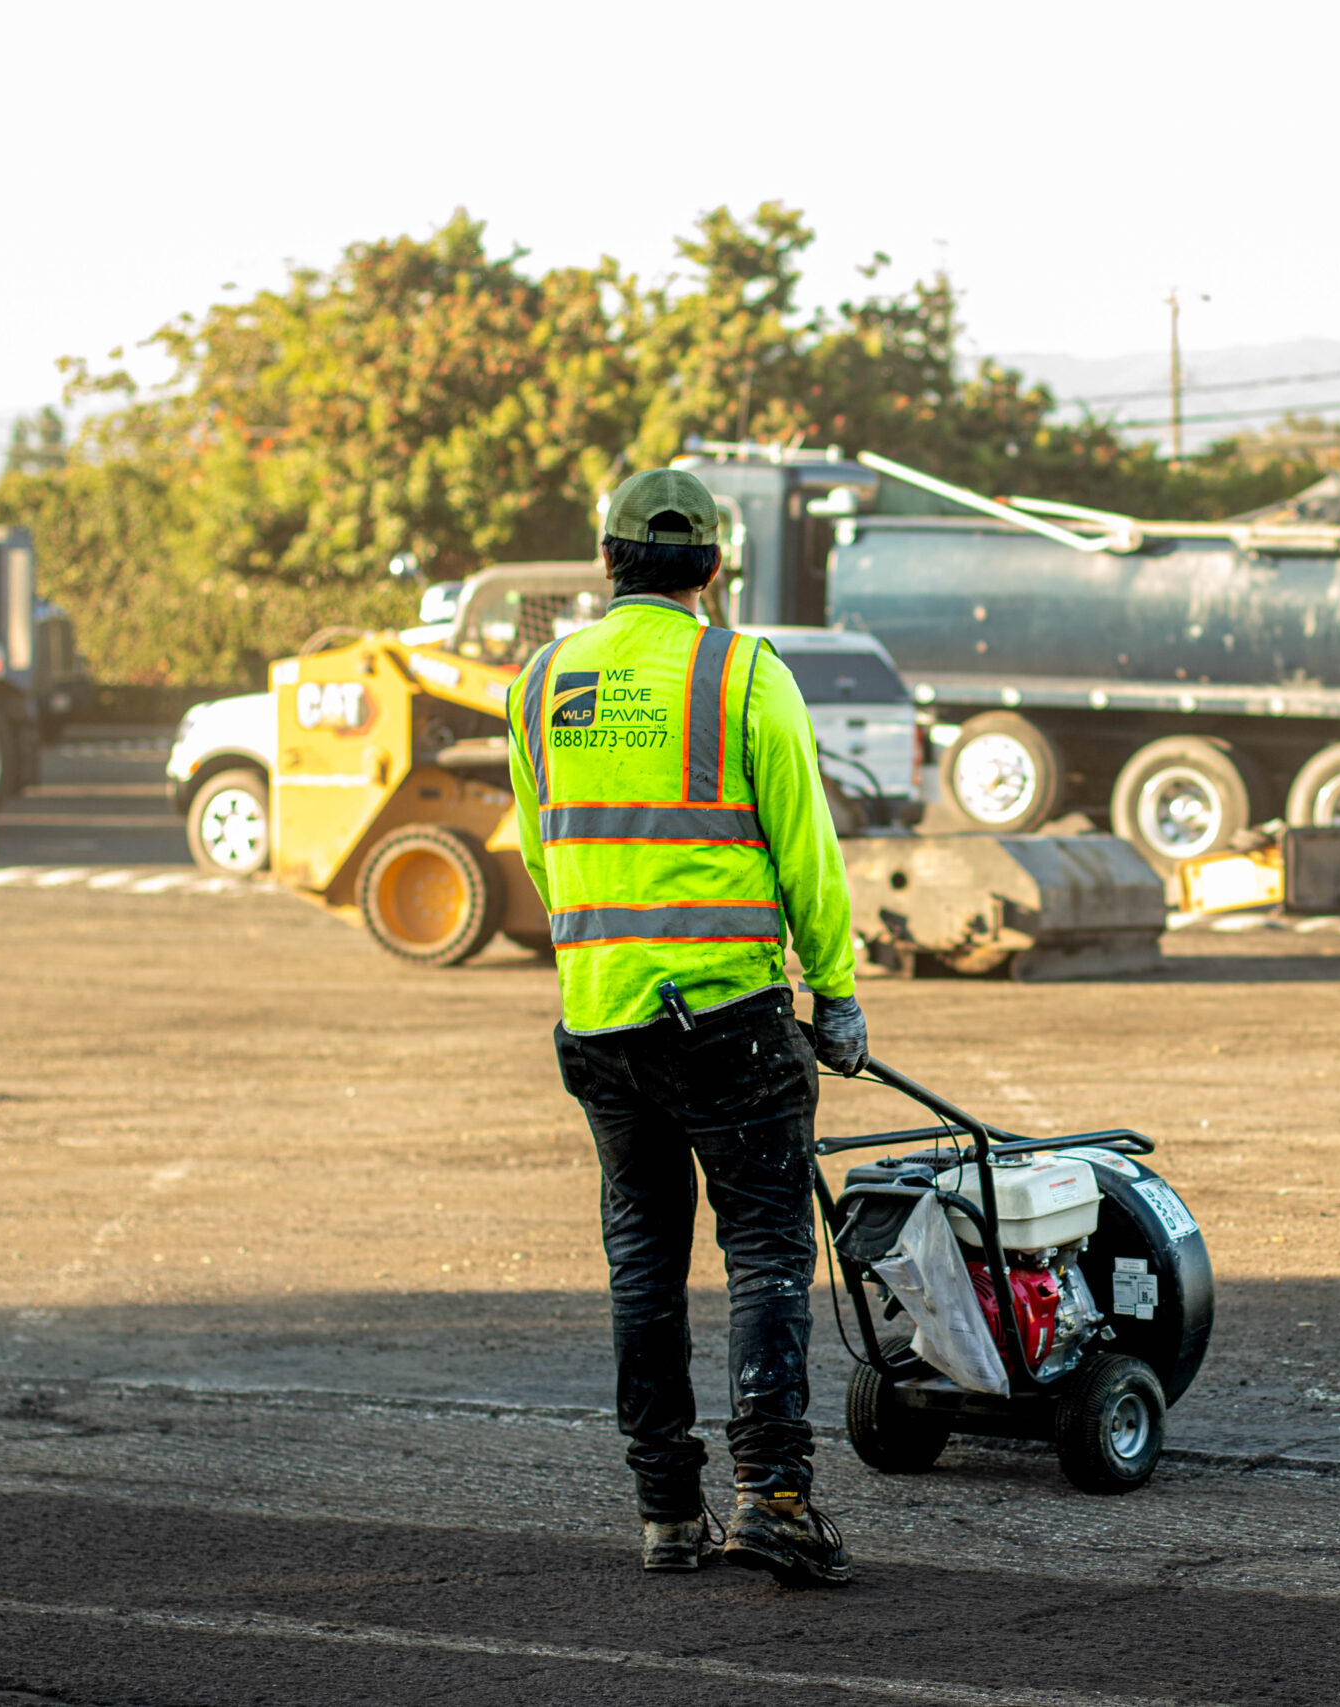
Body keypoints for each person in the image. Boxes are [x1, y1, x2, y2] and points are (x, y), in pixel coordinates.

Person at [506, 466, 865, 1587]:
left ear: (606, 562)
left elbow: (537, 849)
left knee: (644, 1263)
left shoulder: (543, 680)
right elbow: (805, 848)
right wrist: (837, 992)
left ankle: (667, 1512)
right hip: (729, 1023)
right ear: (714, 567)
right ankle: (774, 1496)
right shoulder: (742, 672)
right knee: (764, 1253)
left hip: (599, 1022)